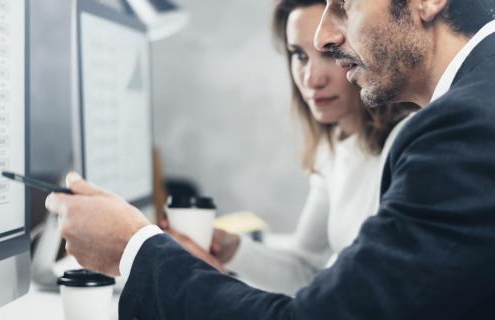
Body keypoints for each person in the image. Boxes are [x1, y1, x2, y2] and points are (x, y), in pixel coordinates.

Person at [45, 0, 495, 318]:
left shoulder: (461, 127)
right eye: (299, 54)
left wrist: (133, 247)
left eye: (344, 3)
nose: (326, 36)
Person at [165, 0, 417, 295]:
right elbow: (306, 270)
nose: (311, 79)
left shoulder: (406, 144)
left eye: (328, 54)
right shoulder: (333, 151)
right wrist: (231, 248)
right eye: (299, 55)